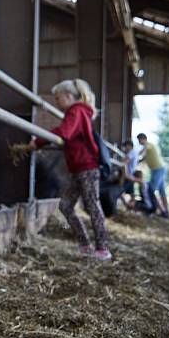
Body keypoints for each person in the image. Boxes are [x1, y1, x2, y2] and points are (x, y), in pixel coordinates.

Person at [29, 78, 112, 261]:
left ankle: (103, 249)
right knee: (65, 206)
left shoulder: (76, 111)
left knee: (92, 206)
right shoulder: (78, 112)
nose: (56, 102)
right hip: (78, 169)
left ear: (68, 96)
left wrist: (39, 141)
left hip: (87, 167)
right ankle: (85, 244)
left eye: (58, 98)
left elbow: (64, 132)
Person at [137, 133, 169, 218]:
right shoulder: (148, 149)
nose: (139, 142)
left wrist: (137, 154)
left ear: (143, 139)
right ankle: (165, 212)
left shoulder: (148, 145)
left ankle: (154, 210)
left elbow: (143, 151)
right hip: (158, 169)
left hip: (158, 169)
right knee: (162, 191)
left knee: (151, 189)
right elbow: (142, 159)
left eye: (139, 140)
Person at [119, 140, 139, 209]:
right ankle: (132, 206)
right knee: (131, 192)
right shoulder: (134, 152)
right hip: (130, 174)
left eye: (126, 146)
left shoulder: (132, 152)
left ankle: (127, 205)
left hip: (128, 175)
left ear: (129, 145)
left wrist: (121, 159)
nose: (125, 148)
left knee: (120, 190)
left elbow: (125, 160)